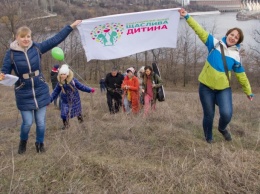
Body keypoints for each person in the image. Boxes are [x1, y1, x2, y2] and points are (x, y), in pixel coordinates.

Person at [0, 20, 82, 154]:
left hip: (40, 89)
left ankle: (39, 144)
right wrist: (2, 76)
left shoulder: (37, 48)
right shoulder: (11, 54)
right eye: (23, 36)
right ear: (17, 38)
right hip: (23, 91)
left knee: (41, 122)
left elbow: (55, 39)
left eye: (28, 36)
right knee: (27, 122)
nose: (26, 39)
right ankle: (23, 142)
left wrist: (71, 27)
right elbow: (5, 71)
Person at [179, 8, 254, 143]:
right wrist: (187, 17)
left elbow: (241, 76)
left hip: (223, 89)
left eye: (236, 37)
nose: (233, 37)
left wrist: (248, 91)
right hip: (206, 87)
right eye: (232, 34)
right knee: (209, 115)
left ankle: (222, 128)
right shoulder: (214, 44)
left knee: (226, 113)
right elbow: (199, 30)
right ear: (227, 34)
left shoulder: (236, 56)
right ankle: (209, 138)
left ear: (238, 41)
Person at [50, 64, 95, 130]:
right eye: (61, 74)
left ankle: (82, 125)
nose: (62, 76)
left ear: (67, 74)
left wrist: (90, 89)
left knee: (78, 112)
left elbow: (81, 86)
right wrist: (49, 100)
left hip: (75, 100)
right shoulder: (60, 82)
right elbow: (55, 92)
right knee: (64, 114)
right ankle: (66, 126)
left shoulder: (73, 80)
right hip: (65, 100)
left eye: (64, 74)